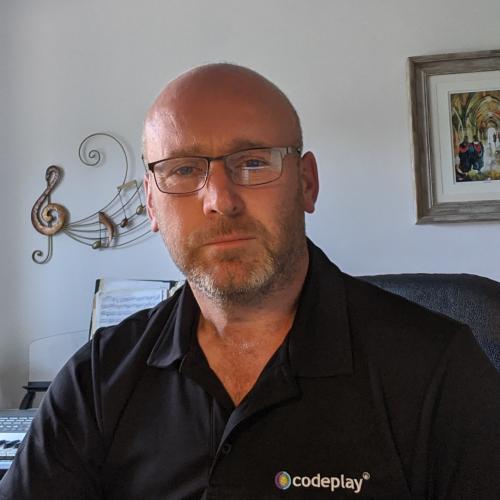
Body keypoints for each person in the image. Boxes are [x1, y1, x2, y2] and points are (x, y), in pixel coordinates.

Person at [1, 64, 499, 499]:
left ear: (307, 183)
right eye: (183, 169)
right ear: (152, 204)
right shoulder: (95, 381)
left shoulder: (438, 369)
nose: (220, 200)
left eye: (253, 162)